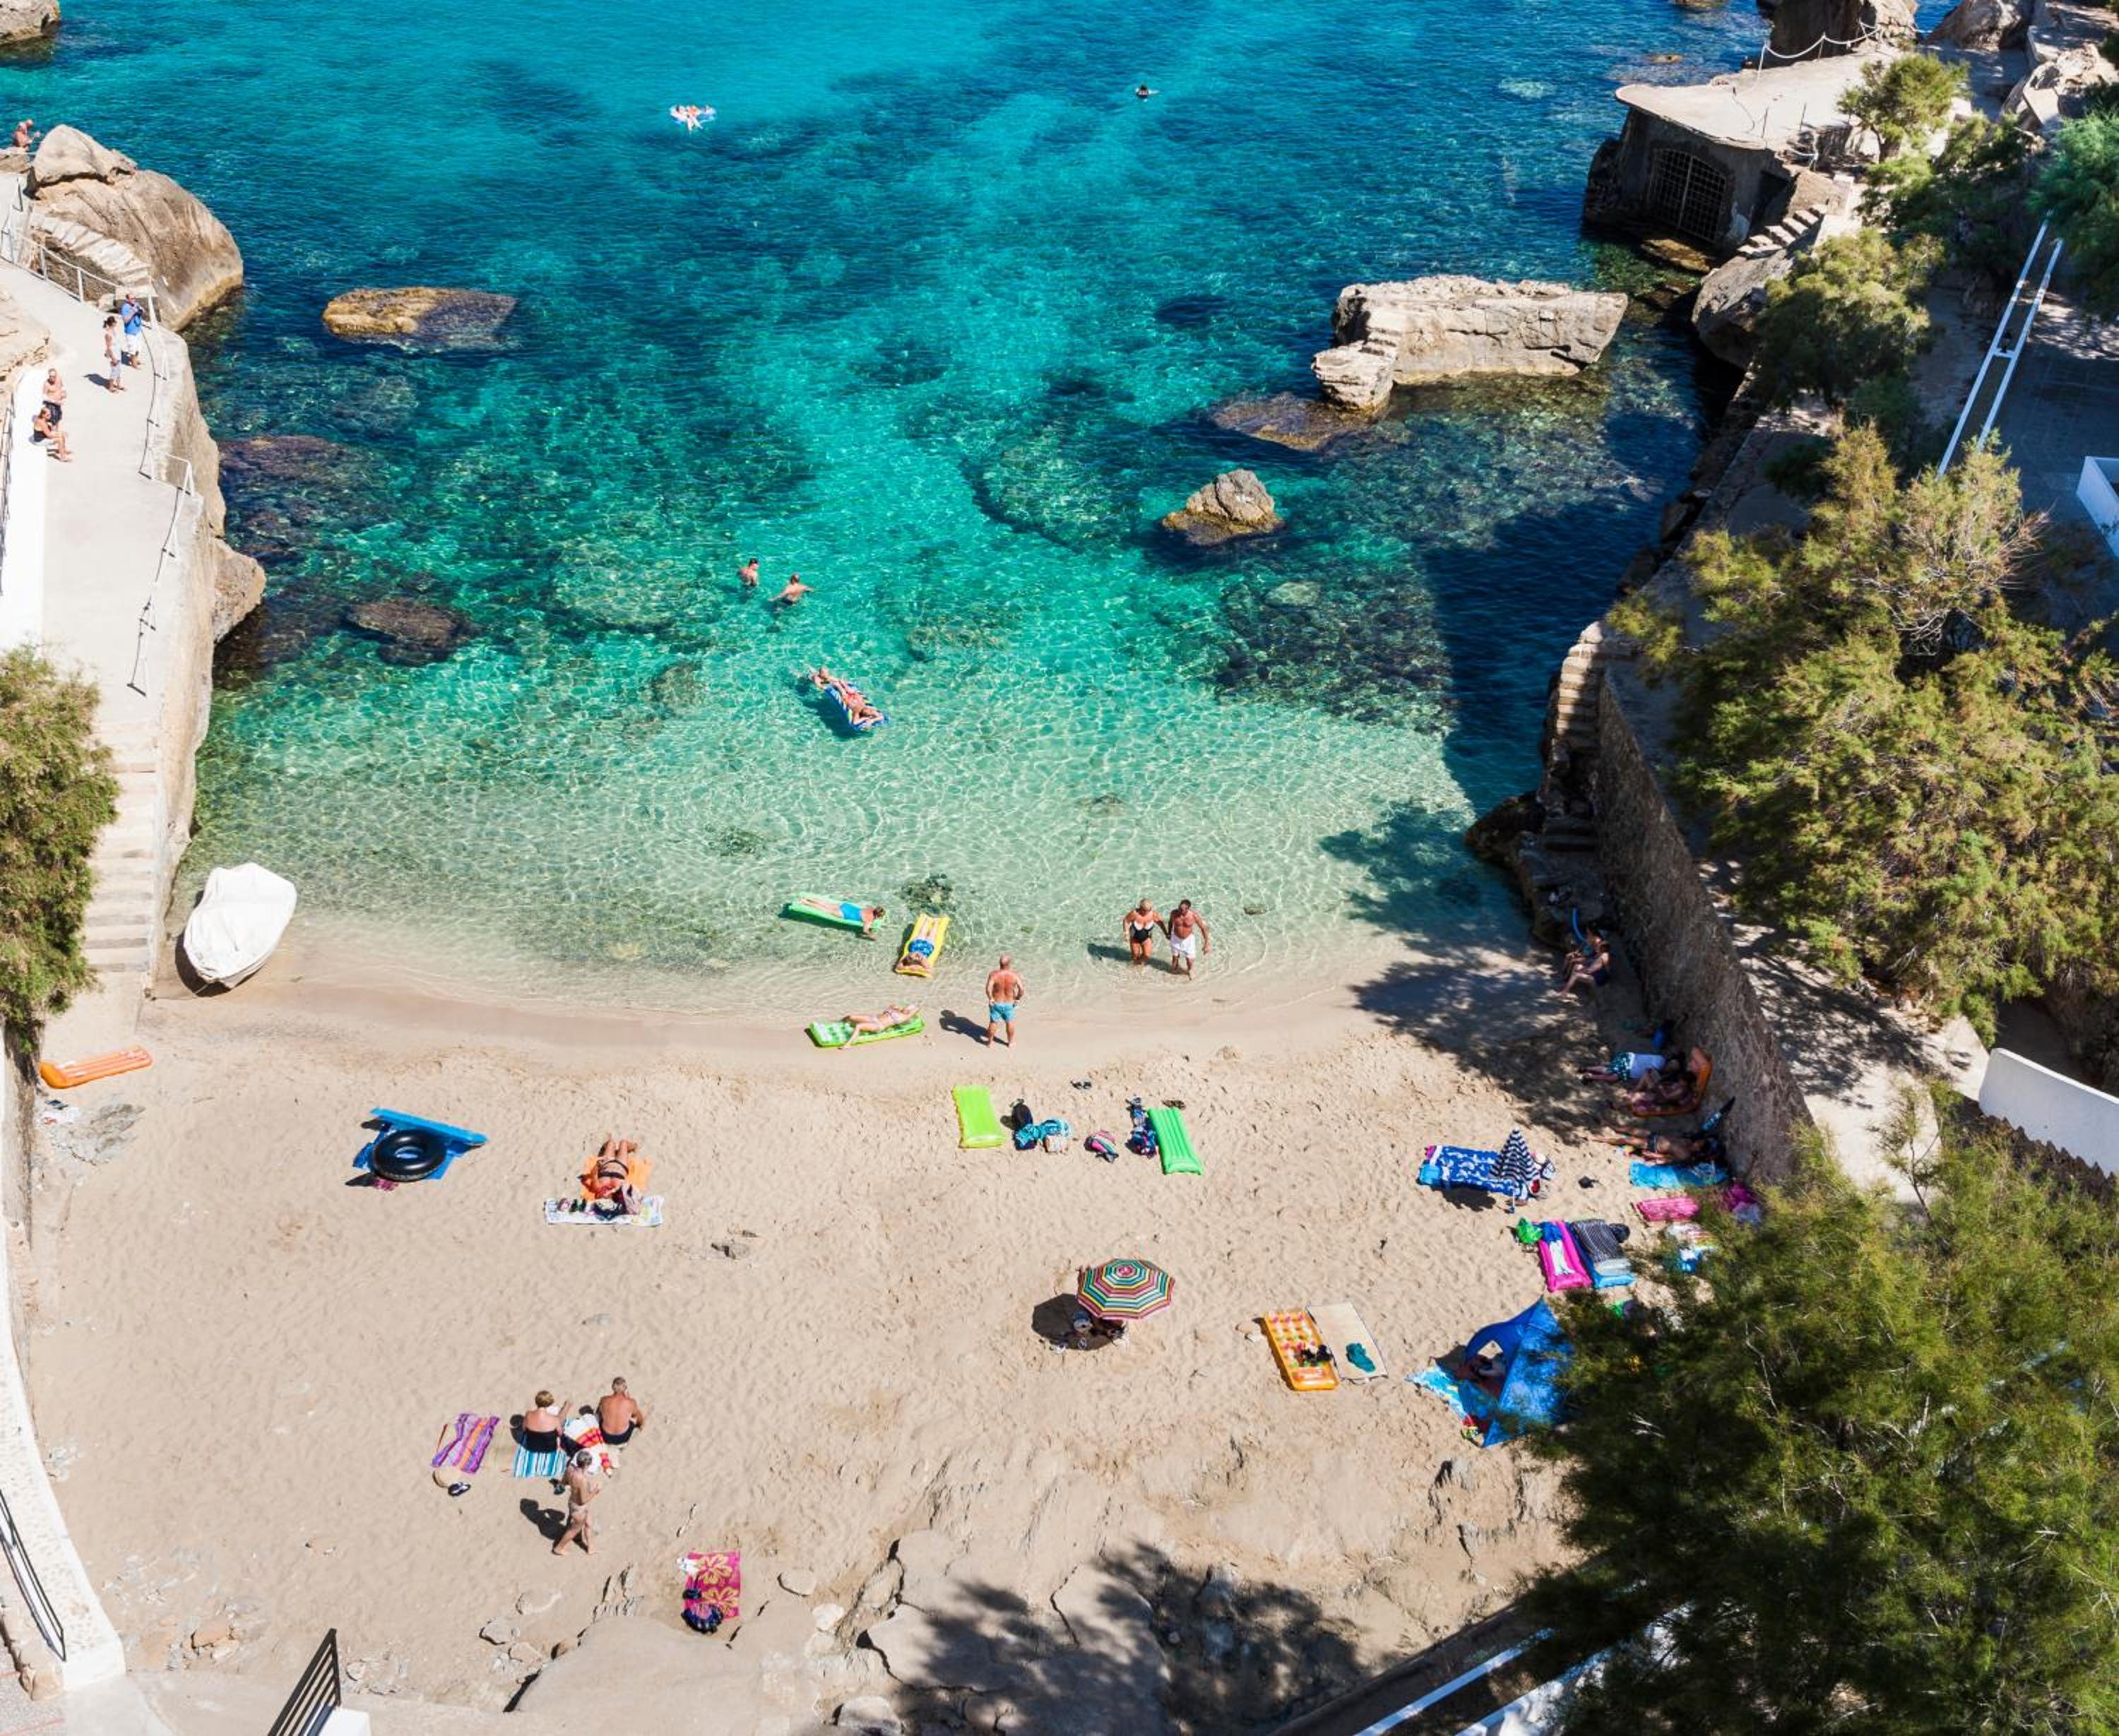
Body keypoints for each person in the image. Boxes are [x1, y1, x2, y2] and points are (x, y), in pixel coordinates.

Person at [553, 1449, 601, 1556]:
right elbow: (583, 1500)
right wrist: (595, 1491)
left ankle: (590, 1548)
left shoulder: (569, 1469)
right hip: (580, 1509)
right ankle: (558, 1548)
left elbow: (562, 1483)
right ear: (586, 1465)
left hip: (572, 1502)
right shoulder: (582, 1480)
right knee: (573, 1530)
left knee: (589, 1524)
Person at [583, 1136, 642, 1213]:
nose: (605, 1196)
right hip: (621, 1164)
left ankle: (608, 1146)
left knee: (611, 1143)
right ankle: (634, 1147)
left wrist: (597, 1165)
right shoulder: (619, 1191)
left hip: (607, 1163)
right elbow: (626, 1188)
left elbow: (593, 1175)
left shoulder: (598, 1187)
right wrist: (612, 1191)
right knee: (623, 1143)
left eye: (603, 1197)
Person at [1162, 900, 1209, 978]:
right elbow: (1170, 923)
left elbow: (1203, 928)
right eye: (1179, 908)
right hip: (1176, 939)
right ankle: (1173, 975)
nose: (1179, 911)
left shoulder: (1194, 916)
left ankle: (1190, 971)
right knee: (1175, 959)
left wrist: (1207, 943)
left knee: (1189, 960)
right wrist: (1169, 933)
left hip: (1188, 940)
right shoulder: (1174, 913)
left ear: (1188, 909)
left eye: (1181, 910)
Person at [986, 955, 1023, 1048]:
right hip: (1009, 1004)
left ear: (1000, 963)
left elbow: (988, 989)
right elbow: (1022, 990)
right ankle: (1010, 1043)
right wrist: (1017, 999)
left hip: (996, 1003)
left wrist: (990, 998)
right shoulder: (1014, 975)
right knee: (1009, 1022)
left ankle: (990, 1043)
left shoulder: (993, 974)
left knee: (993, 1022)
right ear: (1009, 964)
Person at [32, 369, 70, 461]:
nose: (52, 378)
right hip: (52, 405)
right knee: (53, 424)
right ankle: (57, 446)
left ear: (56, 375)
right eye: (50, 376)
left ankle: (61, 448)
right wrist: (55, 401)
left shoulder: (59, 379)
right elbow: (44, 396)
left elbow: (62, 387)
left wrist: (64, 393)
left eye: (53, 376)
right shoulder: (46, 384)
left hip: (58, 406)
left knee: (57, 421)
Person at [1558, 930, 1611, 995]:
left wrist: (1581, 970)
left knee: (1576, 975)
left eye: (1598, 947)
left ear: (1603, 949)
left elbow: (1590, 970)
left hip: (1598, 979)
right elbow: (1591, 963)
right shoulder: (1600, 954)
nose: (1596, 947)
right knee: (1577, 966)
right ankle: (1570, 984)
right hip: (1596, 973)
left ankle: (1564, 992)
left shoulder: (1602, 957)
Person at [597, 1377, 648, 1445]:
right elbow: (635, 1415)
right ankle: (640, 1427)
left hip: (605, 1436)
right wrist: (628, 1396)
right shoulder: (631, 1402)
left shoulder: (604, 1400)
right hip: (623, 1438)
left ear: (612, 1387)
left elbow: (599, 1412)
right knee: (637, 1414)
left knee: (602, 1414)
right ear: (625, 1388)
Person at [1577, 1050, 1666, 1085]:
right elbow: (1648, 1072)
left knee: (1612, 1078)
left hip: (1628, 1071)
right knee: (1608, 1071)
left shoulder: (1660, 1071)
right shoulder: (1661, 1062)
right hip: (1629, 1061)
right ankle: (1587, 1068)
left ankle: (1590, 1077)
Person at [522, 1391, 570, 1455]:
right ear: (549, 1404)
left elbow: (524, 1429)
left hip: (531, 1447)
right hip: (550, 1449)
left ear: (536, 1401)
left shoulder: (528, 1414)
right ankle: (567, 1406)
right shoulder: (555, 1420)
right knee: (560, 1426)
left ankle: (567, 1405)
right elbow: (560, 1434)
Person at [1121, 898, 1161, 966]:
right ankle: (1135, 967)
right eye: (1144, 910)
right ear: (1140, 908)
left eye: (1148, 910)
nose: (1146, 912)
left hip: (1147, 938)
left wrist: (1166, 933)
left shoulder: (1153, 914)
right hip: (1135, 938)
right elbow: (1126, 921)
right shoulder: (1134, 914)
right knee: (1135, 955)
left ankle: (1140, 965)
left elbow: (1161, 923)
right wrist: (1126, 933)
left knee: (1147, 955)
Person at [845, 1003, 917, 1035]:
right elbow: (884, 1012)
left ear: (910, 1012)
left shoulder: (904, 1017)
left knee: (859, 1026)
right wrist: (893, 1007)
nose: (906, 1008)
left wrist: (914, 1007)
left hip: (879, 1025)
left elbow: (917, 1008)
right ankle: (842, 1023)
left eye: (909, 1009)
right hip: (874, 1018)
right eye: (907, 1006)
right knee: (850, 1017)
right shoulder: (897, 1009)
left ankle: (848, 1045)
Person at [118, 291, 144, 369]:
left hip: (138, 330)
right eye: (132, 299)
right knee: (132, 349)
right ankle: (134, 364)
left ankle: (135, 360)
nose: (134, 300)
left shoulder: (136, 304)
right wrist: (133, 312)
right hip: (131, 332)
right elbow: (125, 321)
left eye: (134, 298)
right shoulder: (125, 308)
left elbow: (143, 312)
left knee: (139, 348)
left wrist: (141, 310)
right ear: (127, 300)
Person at [100, 315, 126, 393]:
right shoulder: (108, 334)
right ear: (113, 323)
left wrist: (121, 350)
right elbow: (109, 347)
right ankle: (111, 387)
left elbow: (117, 343)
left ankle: (119, 385)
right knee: (114, 371)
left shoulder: (114, 331)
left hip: (118, 353)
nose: (116, 323)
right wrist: (113, 358)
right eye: (115, 322)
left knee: (119, 371)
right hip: (113, 354)